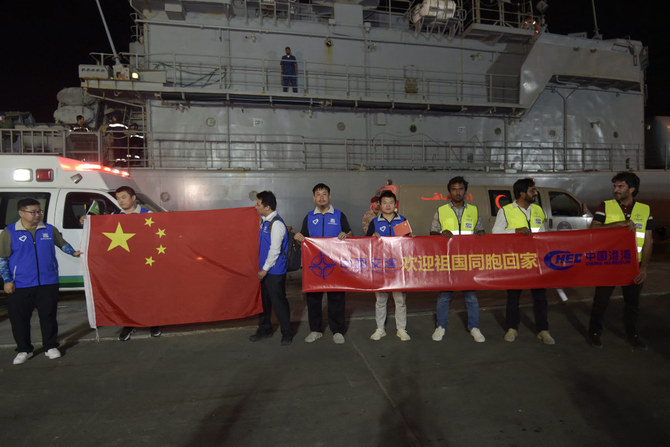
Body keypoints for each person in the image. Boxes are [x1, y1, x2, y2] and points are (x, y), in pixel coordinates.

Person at [0, 198, 82, 364]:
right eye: (33, 212)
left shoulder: (49, 230)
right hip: (21, 284)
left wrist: (74, 252)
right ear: (21, 213)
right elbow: (3, 259)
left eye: (39, 212)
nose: (37, 215)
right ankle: (24, 350)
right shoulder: (9, 232)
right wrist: (7, 280)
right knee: (19, 319)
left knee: (48, 316)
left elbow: (62, 244)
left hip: (48, 282)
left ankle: (50, 346)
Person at [587, 172, 653, 350]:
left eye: (620, 186)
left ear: (632, 189)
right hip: (609, 264)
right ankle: (594, 333)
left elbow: (648, 240)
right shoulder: (605, 206)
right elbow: (594, 229)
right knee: (601, 301)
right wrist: (618, 225)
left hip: (633, 266)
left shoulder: (645, 210)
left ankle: (633, 335)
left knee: (632, 304)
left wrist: (644, 268)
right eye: (615, 186)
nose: (615, 190)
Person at [492, 178, 555, 345]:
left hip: (536, 260)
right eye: (532, 190)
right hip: (515, 260)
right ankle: (512, 328)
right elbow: (496, 233)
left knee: (540, 297)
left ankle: (543, 330)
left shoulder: (538, 210)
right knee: (513, 296)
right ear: (522, 193)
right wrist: (516, 231)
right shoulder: (505, 211)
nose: (536, 193)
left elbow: (543, 233)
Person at [429, 176, 486, 343]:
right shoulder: (441, 210)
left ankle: (474, 327)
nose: (457, 192)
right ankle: (441, 326)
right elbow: (432, 232)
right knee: (444, 295)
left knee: (471, 296)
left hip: (468, 260)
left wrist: (481, 233)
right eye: (454, 189)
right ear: (449, 192)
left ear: (465, 191)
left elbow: (480, 230)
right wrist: (441, 234)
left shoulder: (474, 210)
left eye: (460, 189)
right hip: (448, 260)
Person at [294, 183, 353, 344]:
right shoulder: (309, 217)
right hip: (315, 267)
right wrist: (299, 237)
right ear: (314, 198)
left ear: (329, 197)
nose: (321, 197)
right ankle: (315, 330)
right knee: (313, 299)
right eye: (318, 194)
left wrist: (345, 235)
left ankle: (338, 331)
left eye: (324, 194)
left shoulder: (339, 215)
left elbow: (350, 233)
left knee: (336, 298)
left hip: (335, 266)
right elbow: (304, 238)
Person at [112, 186, 162, 340]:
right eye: (118, 198)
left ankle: (154, 323)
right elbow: (98, 229)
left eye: (124, 197)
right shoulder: (113, 216)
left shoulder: (148, 215)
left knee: (148, 294)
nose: (121, 201)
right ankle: (129, 324)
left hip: (146, 263)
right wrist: (85, 221)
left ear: (133, 198)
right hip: (125, 265)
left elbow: (158, 236)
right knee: (127, 295)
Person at [249, 191, 293, 346]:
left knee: (279, 303)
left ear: (267, 207)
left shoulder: (277, 224)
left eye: (258, 204)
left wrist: (264, 270)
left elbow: (275, 250)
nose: (255, 207)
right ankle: (265, 330)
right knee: (264, 303)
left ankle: (287, 333)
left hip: (274, 272)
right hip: (265, 271)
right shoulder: (264, 221)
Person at [366, 190, 411, 341]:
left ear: (395, 204)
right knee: (380, 300)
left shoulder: (402, 220)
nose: (387, 205)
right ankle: (380, 328)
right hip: (381, 267)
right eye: (384, 202)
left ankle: (401, 329)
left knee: (400, 300)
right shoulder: (375, 222)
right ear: (380, 204)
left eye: (391, 203)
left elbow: (408, 242)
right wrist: (372, 237)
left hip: (399, 267)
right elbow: (366, 244)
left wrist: (412, 238)